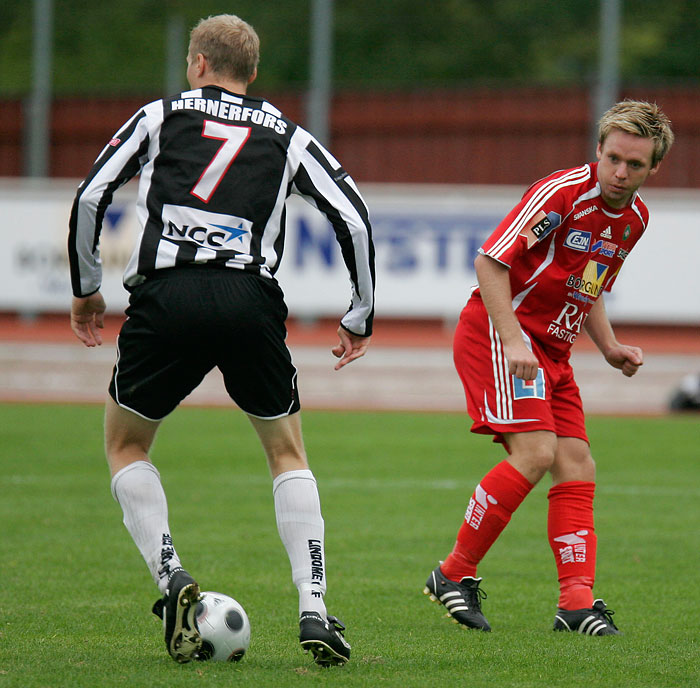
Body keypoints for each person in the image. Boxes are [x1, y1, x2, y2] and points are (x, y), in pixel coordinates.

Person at [68, 14, 374, 666]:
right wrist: (361, 313)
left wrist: (87, 287)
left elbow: (93, 194)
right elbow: (352, 214)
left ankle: (171, 574)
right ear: (252, 73)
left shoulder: (160, 115)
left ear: (199, 64)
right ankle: (314, 607)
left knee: (125, 444)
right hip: (247, 300)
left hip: (165, 297)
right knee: (288, 455)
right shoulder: (287, 134)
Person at [424, 100, 673, 636]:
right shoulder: (561, 194)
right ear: (598, 151)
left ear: (653, 169)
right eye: (613, 159)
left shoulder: (635, 219)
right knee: (538, 452)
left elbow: (590, 284)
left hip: (552, 352)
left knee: (577, 463)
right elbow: (490, 262)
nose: (620, 172)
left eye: (635, 165)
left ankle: (576, 604)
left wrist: (608, 347)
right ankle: (453, 573)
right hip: (499, 333)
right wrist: (513, 341)